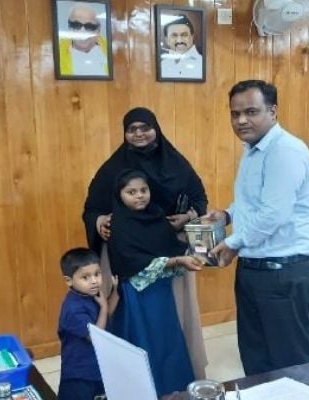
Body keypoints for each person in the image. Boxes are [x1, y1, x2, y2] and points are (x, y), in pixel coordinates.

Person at [82, 107, 209, 378]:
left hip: (169, 248)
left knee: (172, 315)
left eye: (145, 127)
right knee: (132, 318)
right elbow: (91, 207)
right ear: (125, 133)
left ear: (156, 129)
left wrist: (187, 215)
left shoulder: (176, 162)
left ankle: (176, 373)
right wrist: (100, 220)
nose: (139, 133)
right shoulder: (113, 167)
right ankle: (131, 379)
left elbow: (199, 197)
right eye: (132, 129)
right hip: (128, 249)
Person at [208, 80, 309, 376]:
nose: (241, 120)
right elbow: (253, 202)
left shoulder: (285, 151)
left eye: (251, 111)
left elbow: (274, 214)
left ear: (272, 111)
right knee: (255, 356)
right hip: (255, 269)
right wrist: (226, 215)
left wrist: (232, 243)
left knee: (290, 361)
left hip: (284, 272)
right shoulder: (253, 148)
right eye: (235, 113)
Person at [107, 169, 203, 397]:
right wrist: (177, 260)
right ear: (120, 195)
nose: (139, 196)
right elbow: (131, 262)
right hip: (136, 296)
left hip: (160, 292)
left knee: (166, 341)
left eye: (143, 190)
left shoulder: (156, 214)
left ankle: (172, 388)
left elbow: (170, 245)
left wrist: (199, 250)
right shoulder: (119, 224)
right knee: (143, 344)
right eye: (131, 192)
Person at [57, 248, 118, 400]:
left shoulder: (90, 294)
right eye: (85, 277)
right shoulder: (73, 309)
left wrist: (115, 290)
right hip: (79, 374)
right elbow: (95, 336)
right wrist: (103, 307)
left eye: (97, 274)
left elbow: (107, 314)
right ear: (69, 280)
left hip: (97, 368)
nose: (94, 281)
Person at [58, 2, 109, 76]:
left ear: (98, 29)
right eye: (76, 25)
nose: (82, 31)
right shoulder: (56, 50)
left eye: (89, 26)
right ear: (69, 27)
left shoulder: (113, 50)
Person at [160, 15, 203, 79]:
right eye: (174, 35)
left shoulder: (203, 63)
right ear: (167, 40)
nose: (179, 40)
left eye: (184, 35)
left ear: (192, 37)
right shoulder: (162, 65)